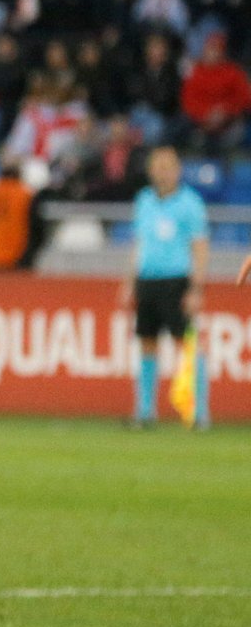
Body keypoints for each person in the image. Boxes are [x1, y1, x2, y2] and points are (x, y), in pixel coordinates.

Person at [122, 146, 209, 429]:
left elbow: (200, 248)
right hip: (148, 279)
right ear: (150, 170)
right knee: (147, 343)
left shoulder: (190, 204)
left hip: (176, 280)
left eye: (168, 166)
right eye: (158, 166)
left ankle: (197, 411)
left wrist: (196, 289)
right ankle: (145, 411)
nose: (162, 172)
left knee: (187, 345)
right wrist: (130, 281)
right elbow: (139, 244)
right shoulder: (144, 200)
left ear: (178, 170)